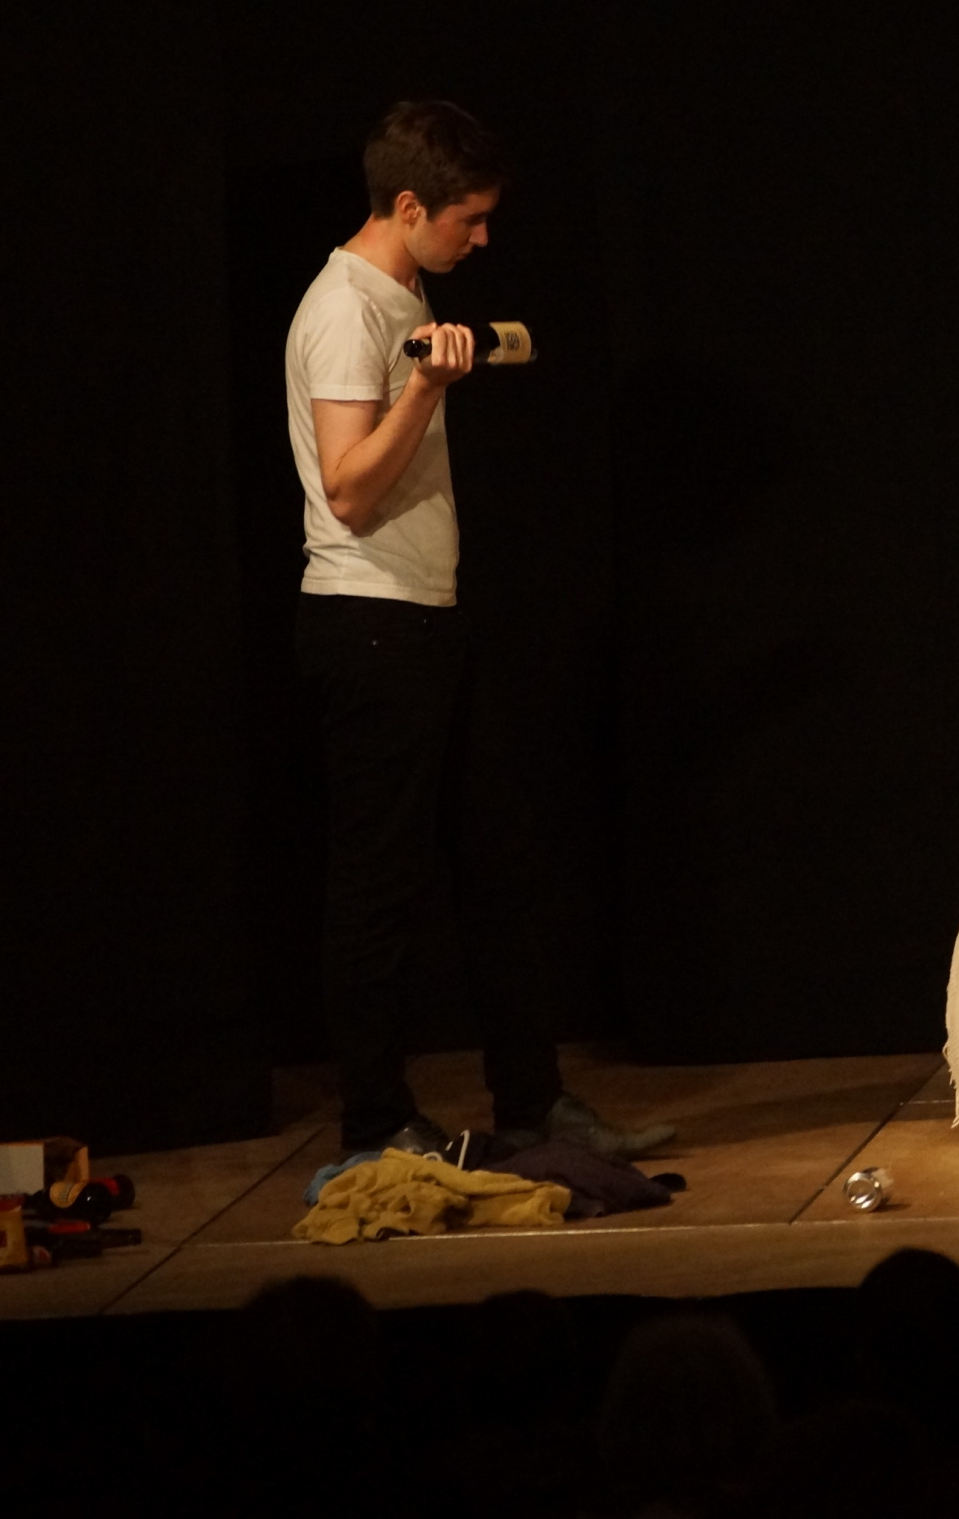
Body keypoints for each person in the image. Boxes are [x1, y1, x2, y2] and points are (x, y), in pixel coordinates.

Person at [285, 99, 670, 1162]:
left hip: (428, 619)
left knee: (501, 869)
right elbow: (349, 491)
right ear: (409, 206)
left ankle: (533, 1103)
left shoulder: (404, 288)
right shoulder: (343, 308)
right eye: (469, 218)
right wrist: (425, 386)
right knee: (378, 889)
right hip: (368, 624)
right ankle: (374, 1124)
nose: (483, 238)